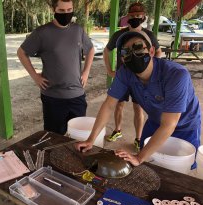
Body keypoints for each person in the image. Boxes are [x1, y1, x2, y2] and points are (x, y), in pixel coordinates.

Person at [76, 30, 201, 169]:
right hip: (155, 122)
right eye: (126, 52)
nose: (133, 54)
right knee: (147, 163)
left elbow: (169, 124)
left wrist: (139, 157)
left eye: (138, 47)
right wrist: (91, 140)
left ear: (152, 51)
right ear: (122, 58)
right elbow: (109, 105)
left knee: (177, 170)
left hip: (185, 126)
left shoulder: (176, 75)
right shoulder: (125, 73)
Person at [17, 0, 95, 135]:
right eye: (62, 11)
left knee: (78, 137)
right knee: (53, 138)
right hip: (53, 98)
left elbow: (91, 49)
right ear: (54, 10)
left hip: (77, 96)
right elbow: (21, 53)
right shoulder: (42, 33)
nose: (66, 14)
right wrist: (35, 76)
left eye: (69, 10)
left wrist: (86, 72)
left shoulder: (78, 30)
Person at [104, 2, 162, 151]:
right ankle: (117, 130)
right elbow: (106, 50)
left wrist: (152, 72)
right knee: (118, 104)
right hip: (122, 77)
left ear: (143, 17)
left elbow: (158, 52)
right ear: (127, 17)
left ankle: (138, 138)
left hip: (140, 78)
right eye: (132, 15)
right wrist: (110, 70)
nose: (135, 18)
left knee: (138, 107)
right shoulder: (119, 34)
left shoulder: (149, 35)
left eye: (138, 15)